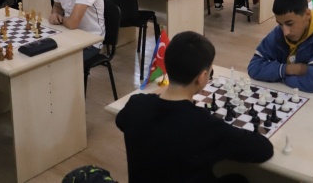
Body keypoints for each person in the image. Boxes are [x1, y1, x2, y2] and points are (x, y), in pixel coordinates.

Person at [117, 31, 274, 183]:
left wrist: (155, 97)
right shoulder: (205, 125)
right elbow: (264, 150)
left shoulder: (136, 105)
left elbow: (121, 120)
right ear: (202, 77)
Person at [248, 0, 313, 94]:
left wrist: (281, 78)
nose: (285, 32)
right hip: (288, 94)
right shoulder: (279, 32)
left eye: (290, 23)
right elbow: (253, 67)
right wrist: (290, 69)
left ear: (307, 14)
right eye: (280, 24)